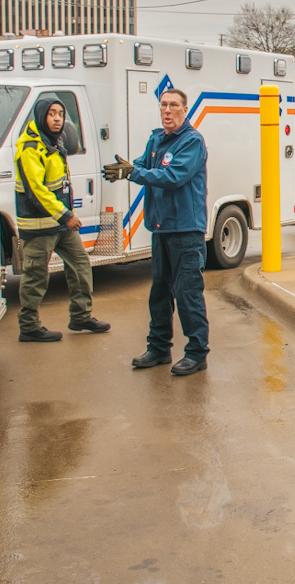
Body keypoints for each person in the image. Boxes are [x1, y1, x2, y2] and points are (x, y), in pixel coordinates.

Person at [104, 88, 210, 376]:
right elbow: (143, 164)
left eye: (173, 105)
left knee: (187, 293)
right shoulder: (156, 139)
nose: (167, 110)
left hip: (186, 229)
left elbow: (172, 176)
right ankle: (159, 348)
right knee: (160, 292)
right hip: (161, 228)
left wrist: (132, 173)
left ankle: (197, 353)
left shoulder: (192, 141)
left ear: (184, 110)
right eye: (163, 105)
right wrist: (129, 167)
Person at [14, 97, 110, 342]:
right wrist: (65, 215)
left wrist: (65, 217)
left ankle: (81, 316)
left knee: (80, 266)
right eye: (52, 114)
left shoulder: (53, 143)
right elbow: (36, 190)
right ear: (41, 116)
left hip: (60, 224)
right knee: (36, 276)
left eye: (61, 114)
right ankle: (29, 327)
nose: (58, 119)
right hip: (39, 226)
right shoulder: (30, 148)